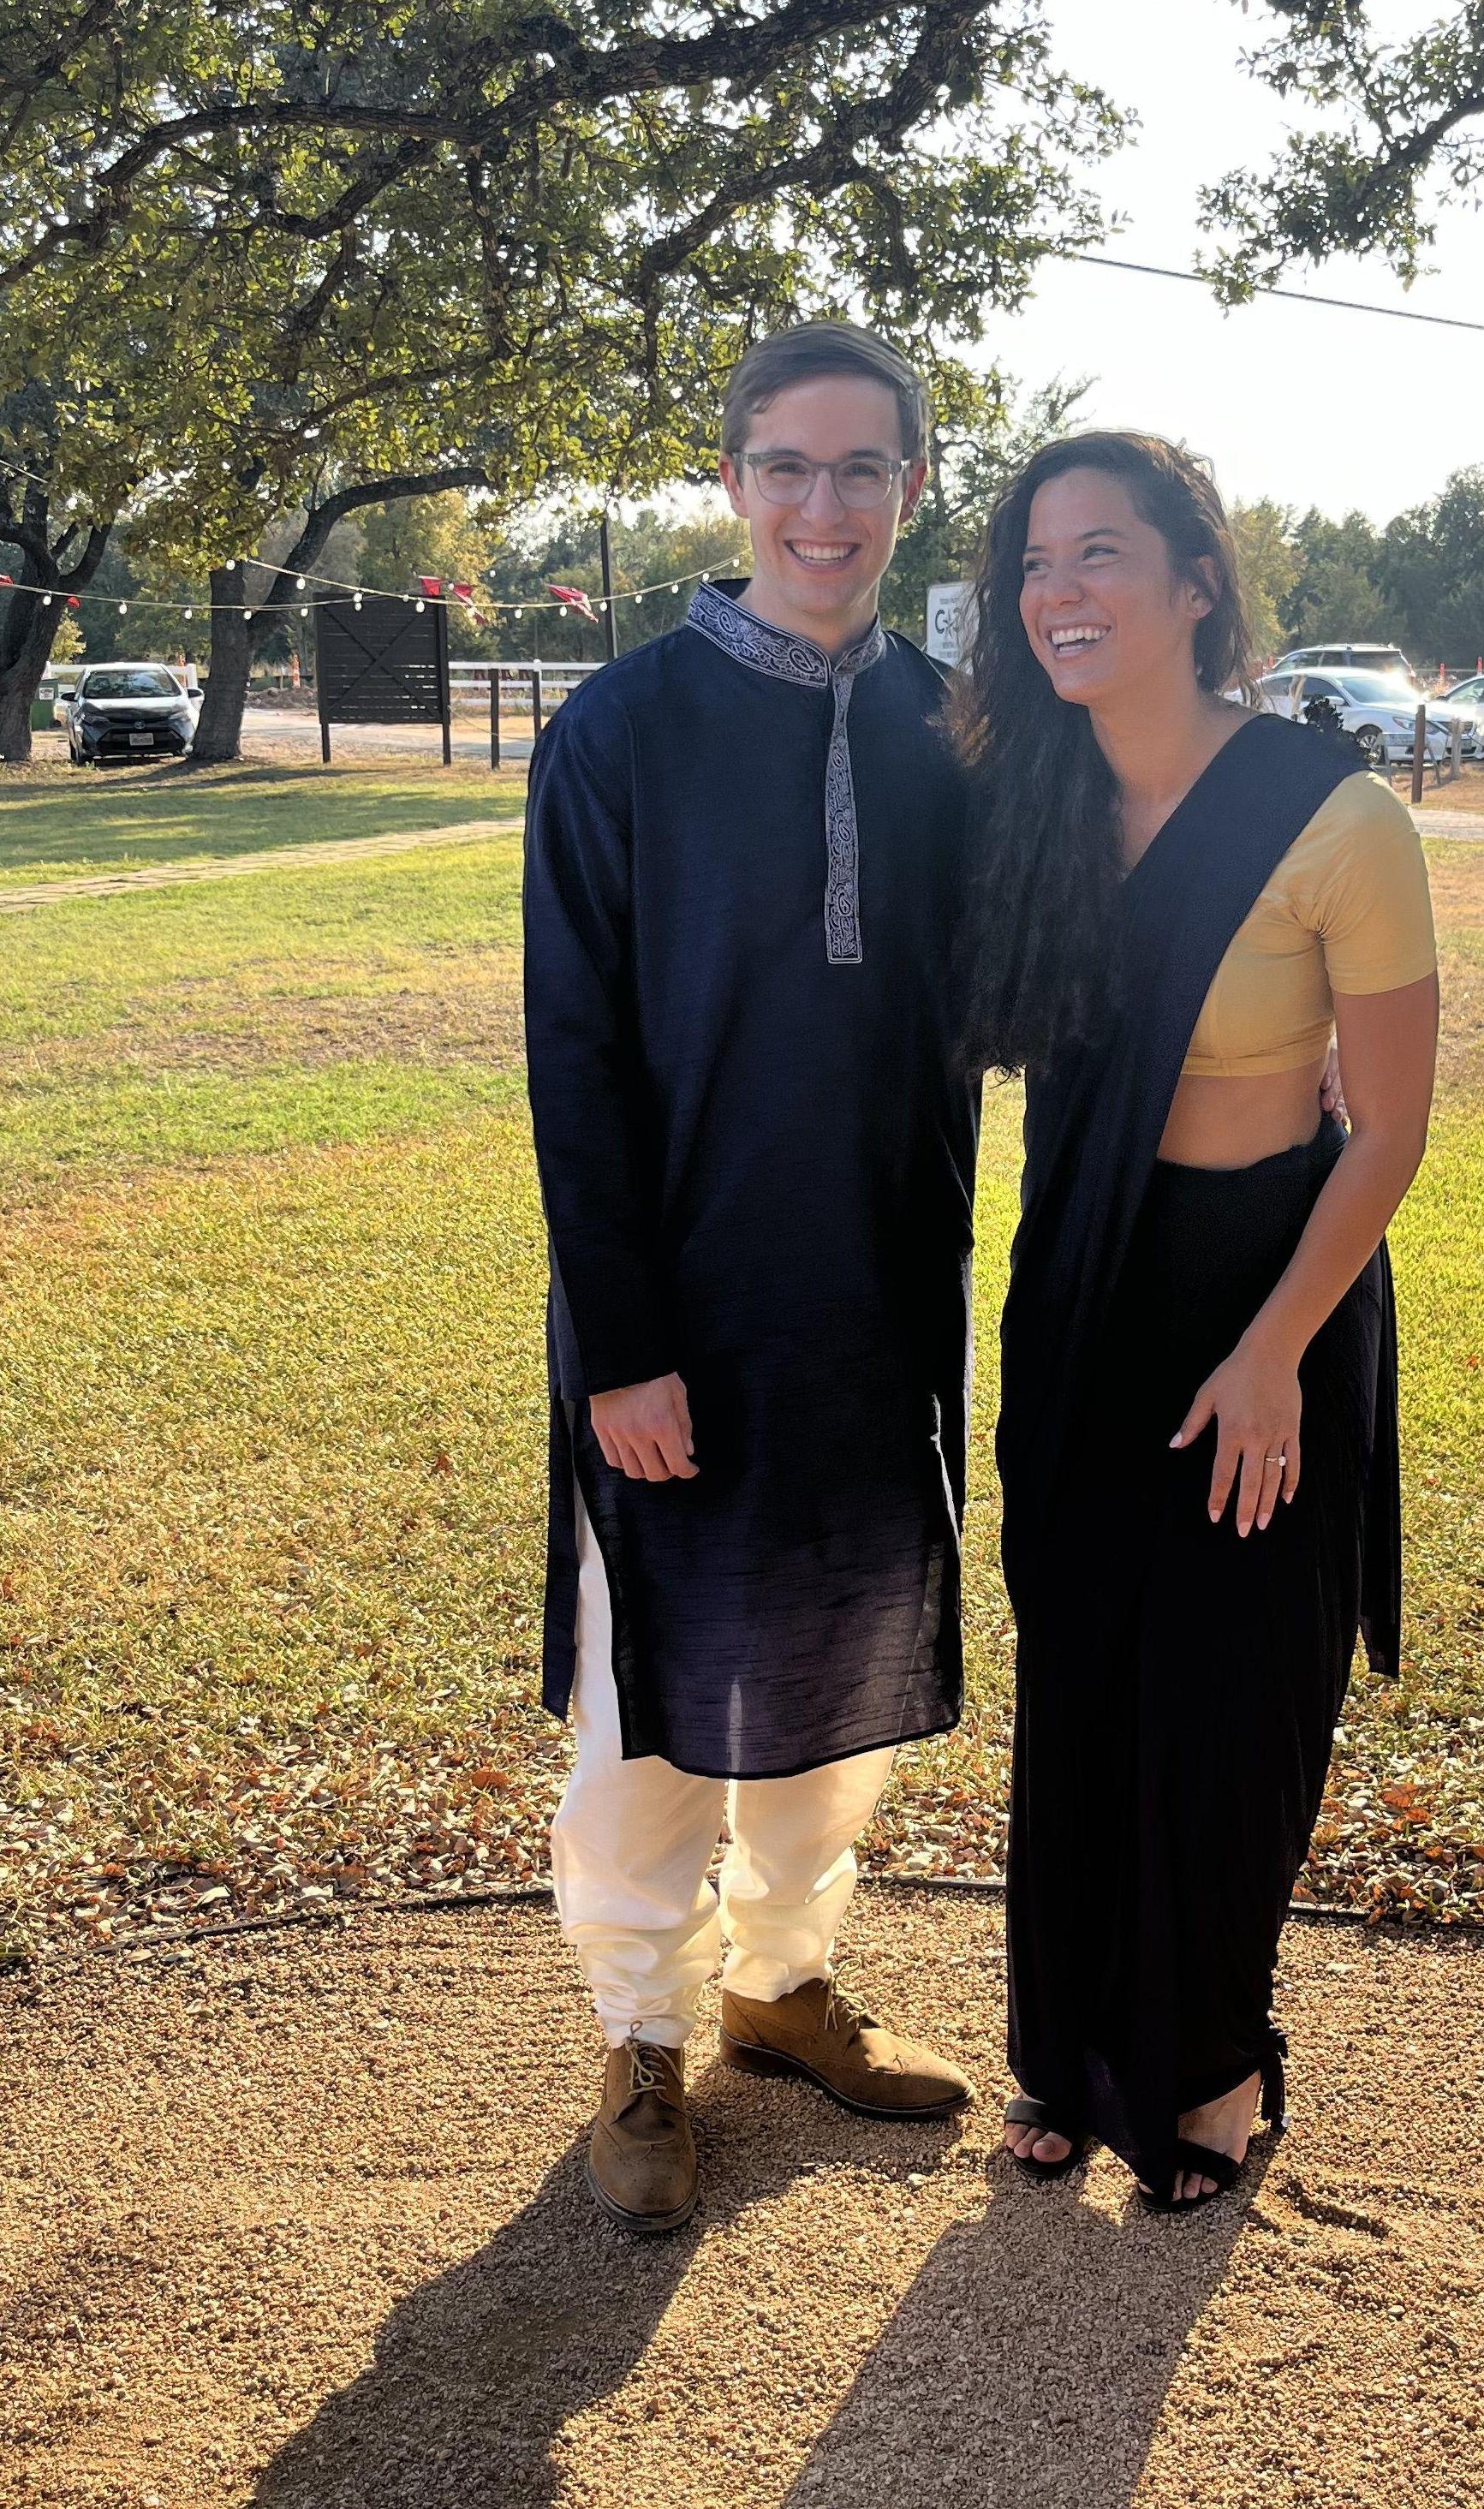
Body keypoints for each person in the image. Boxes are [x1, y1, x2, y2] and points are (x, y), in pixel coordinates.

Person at [521, 321, 977, 2233]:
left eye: (862, 467)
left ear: (912, 488)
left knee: (838, 1663)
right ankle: (639, 2031)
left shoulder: (953, 727)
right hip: (678, 1312)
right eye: (786, 464)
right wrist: (622, 1345)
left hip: (876, 1297)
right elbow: (573, 1056)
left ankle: (782, 1987)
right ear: (731, 482)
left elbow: (1041, 975)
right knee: (656, 1690)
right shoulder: (619, 728)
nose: (823, 504)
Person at [955, 432, 1439, 2208]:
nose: (1059, 592)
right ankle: (1070, 2047)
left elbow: (1387, 1128)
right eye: (1033, 563)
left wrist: (1274, 1349)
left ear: (1193, 582)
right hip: (1086, 1277)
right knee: (1081, 1665)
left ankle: (1212, 2061)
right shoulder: (1028, 804)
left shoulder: (1333, 816)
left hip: (1267, 1285)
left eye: (1098, 553)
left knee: (1229, 1689)